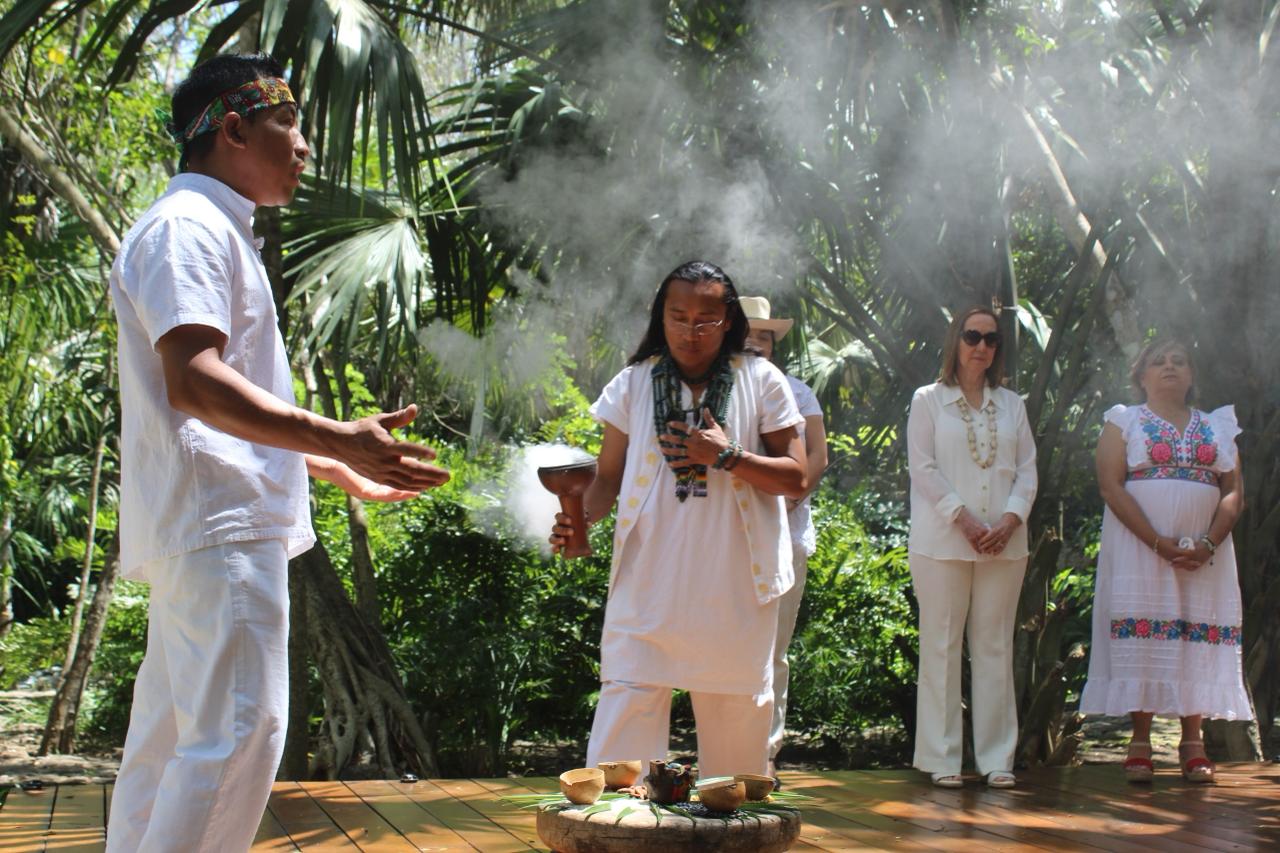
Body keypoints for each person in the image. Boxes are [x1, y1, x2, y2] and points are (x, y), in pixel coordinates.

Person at [106, 53, 449, 852]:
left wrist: (329, 462)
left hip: (206, 520)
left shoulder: (206, 226)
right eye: (287, 124)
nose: (303, 147)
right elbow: (194, 383)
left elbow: (210, 400)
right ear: (232, 129)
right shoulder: (189, 228)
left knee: (169, 748)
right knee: (235, 737)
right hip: (219, 525)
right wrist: (335, 436)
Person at [549, 261, 808, 778]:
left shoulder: (762, 380)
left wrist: (729, 455)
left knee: (734, 770)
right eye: (678, 316)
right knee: (618, 757)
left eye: (706, 319)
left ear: (729, 321)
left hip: (733, 592)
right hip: (647, 588)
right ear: (660, 317)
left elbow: (797, 478)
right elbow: (608, 478)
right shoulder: (632, 384)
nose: (691, 331)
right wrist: (577, 518)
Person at [1080, 337, 1251, 784]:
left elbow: (1233, 491)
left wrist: (1209, 544)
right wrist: (1157, 542)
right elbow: (1110, 486)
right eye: (1158, 362)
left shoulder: (1217, 426)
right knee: (1146, 628)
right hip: (1140, 549)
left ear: (1191, 375)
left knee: (1196, 631)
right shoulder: (1124, 421)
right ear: (1141, 376)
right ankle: (1140, 740)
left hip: (1205, 555)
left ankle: (1193, 741)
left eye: (1179, 362)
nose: (1169, 367)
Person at [906, 306, 1037, 789]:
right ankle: (943, 759)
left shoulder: (1013, 405)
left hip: (1006, 542)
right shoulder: (928, 400)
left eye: (991, 339)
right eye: (972, 335)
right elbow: (922, 467)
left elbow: (1027, 470)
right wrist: (963, 518)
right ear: (955, 341)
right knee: (940, 647)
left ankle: (996, 758)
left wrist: (1009, 519)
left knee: (994, 645)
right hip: (942, 542)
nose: (981, 345)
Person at [741, 296, 828, 777]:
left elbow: (817, 455)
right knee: (724, 643)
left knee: (774, 648)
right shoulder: (713, 391)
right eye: (748, 332)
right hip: (727, 539)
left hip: (787, 537)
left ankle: (765, 755)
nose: (756, 341)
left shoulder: (798, 391)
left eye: (765, 334)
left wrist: (786, 498)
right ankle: (725, 750)